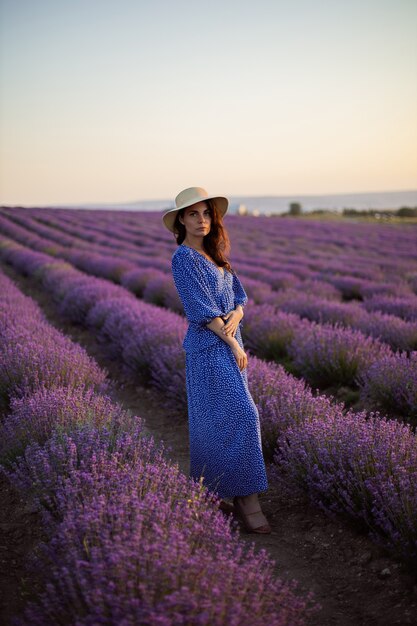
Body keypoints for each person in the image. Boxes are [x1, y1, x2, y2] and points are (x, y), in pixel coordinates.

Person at [162, 186, 271, 534]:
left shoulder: (215, 253)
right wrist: (235, 345)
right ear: (181, 219)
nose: (201, 219)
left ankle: (216, 492)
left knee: (219, 421)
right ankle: (244, 498)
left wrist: (238, 313)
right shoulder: (184, 258)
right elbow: (201, 311)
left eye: (206, 213)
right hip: (210, 348)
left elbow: (238, 294)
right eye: (193, 214)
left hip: (229, 340)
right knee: (242, 415)